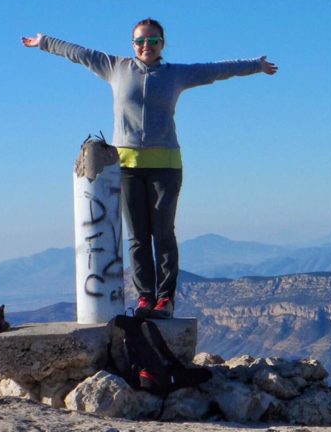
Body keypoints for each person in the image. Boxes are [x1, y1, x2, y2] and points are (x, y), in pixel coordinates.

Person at [21, 18, 278, 318]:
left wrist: (255, 65)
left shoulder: (176, 75)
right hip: (127, 168)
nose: (147, 46)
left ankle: (165, 300)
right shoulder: (115, 68)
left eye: (153, 41)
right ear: (132, 44)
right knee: (138, 236)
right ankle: (145, 298)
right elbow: (80, 53)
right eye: (141, 41)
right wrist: (44, 42)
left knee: (163, 233)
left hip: (166, 167)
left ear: (162, 43)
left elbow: (215, 70)